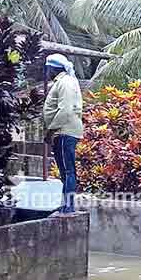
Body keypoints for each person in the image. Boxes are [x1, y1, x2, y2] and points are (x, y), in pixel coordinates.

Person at [42, 54, 83, 215]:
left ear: (53, 68)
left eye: (47, 69)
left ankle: (69, 206)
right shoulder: (64, 81)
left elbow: (65, 110)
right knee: (65, 170)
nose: (46, 72)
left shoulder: (65, 83)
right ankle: (66, 204)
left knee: (68, 170)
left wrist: (50, 131)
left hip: (64, 131)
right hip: (63, 131)